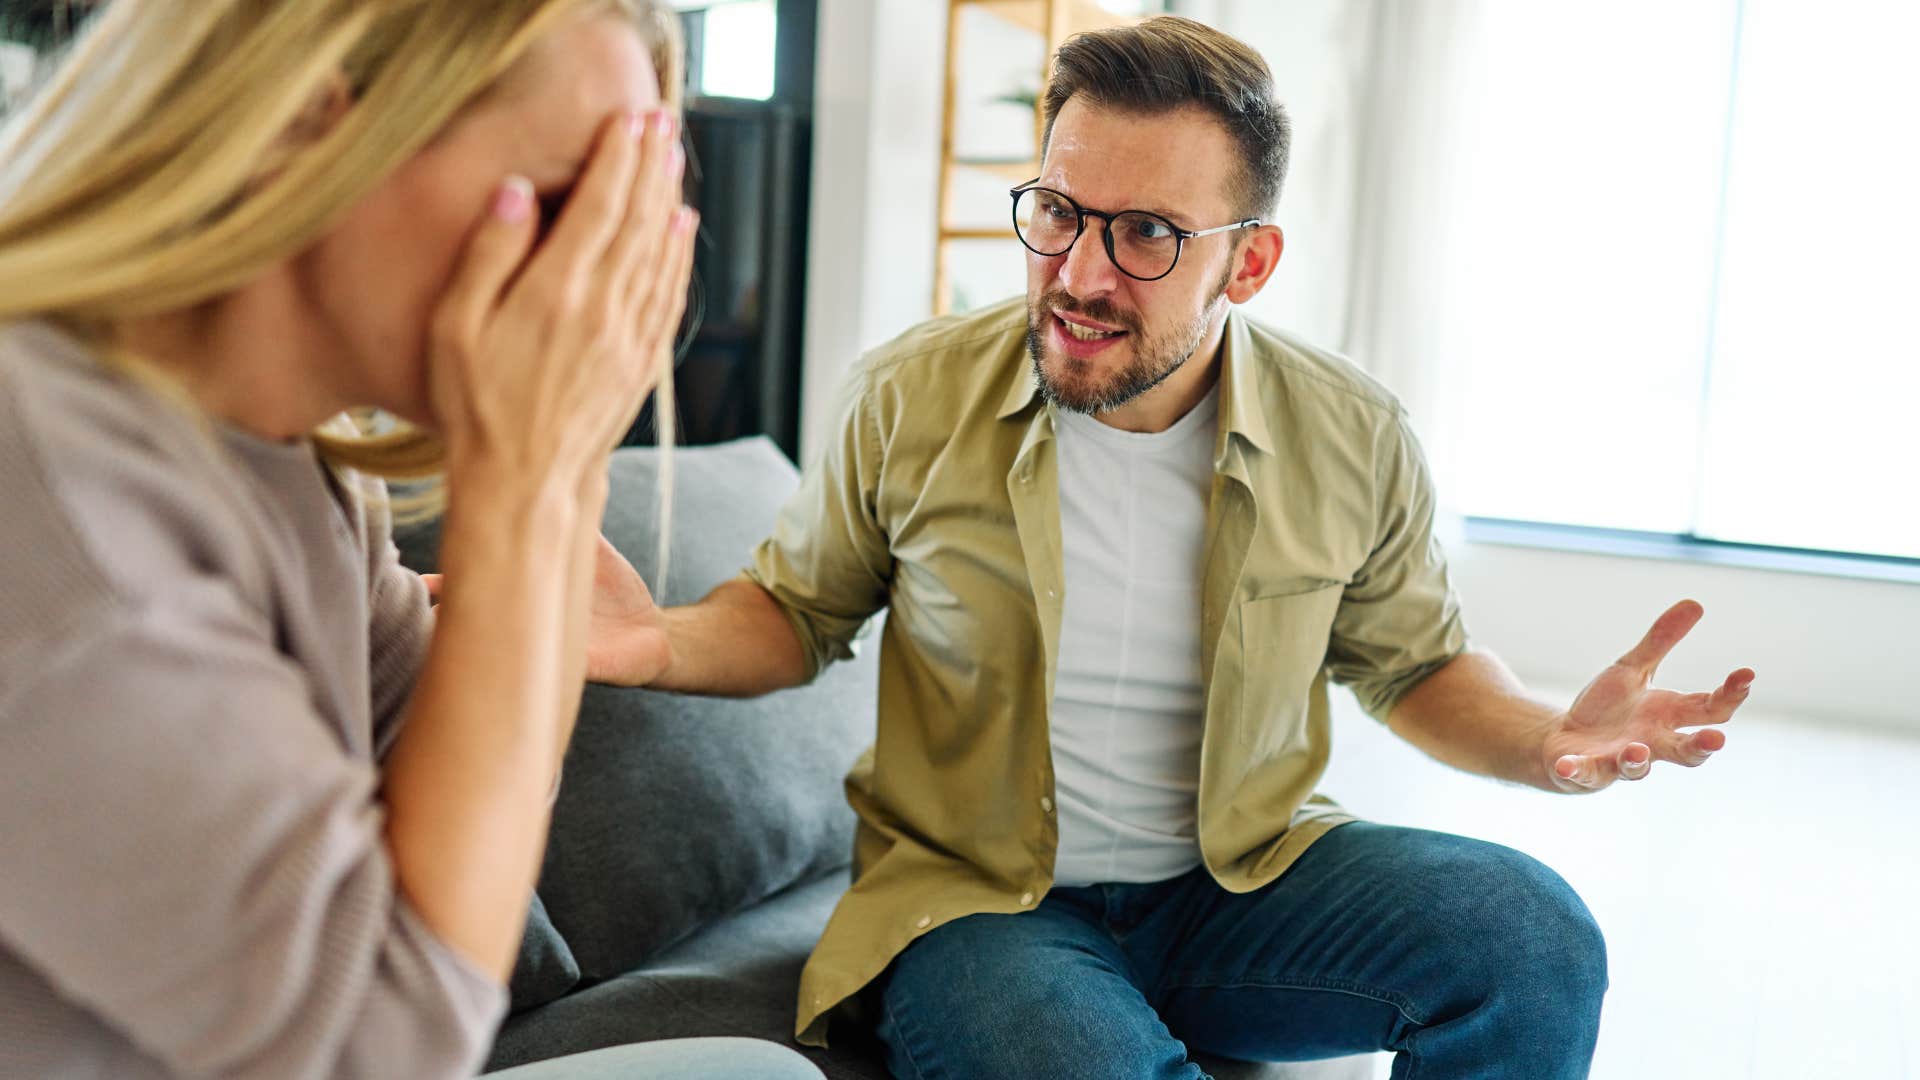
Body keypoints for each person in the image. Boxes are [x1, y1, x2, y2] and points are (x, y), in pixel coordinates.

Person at [573, 15, 1759, 1080]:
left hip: (1242, 888)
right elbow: (797, 612)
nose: (1080, 275)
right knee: (1062, 1051)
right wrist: (655, 639)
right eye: (1056, 213)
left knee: (1533, 939)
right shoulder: (908, 394)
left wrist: (1546, 739)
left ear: (1248, 262)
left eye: (1146, 233)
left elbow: (1414, 666)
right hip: (982, 910)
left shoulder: (1351, 432)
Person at [0, 2, 821, 1078]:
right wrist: (526, 489)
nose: (596, 292)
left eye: (625, 224)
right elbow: (384, 1043)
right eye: (572, 202)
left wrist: (553, 501)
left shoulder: (298, 473)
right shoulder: (65, 515)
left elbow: (467, 791)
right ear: (308, 121)